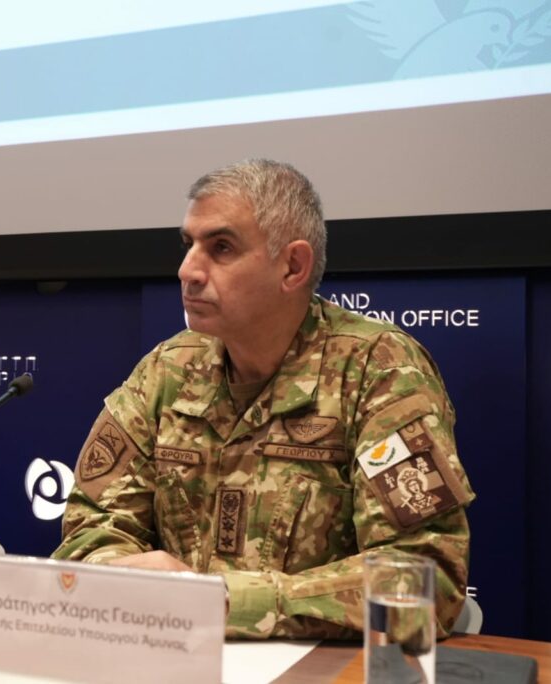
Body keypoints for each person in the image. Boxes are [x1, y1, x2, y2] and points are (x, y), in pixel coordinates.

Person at [52, 159, 475, 639]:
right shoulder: (167, 370)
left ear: (293, 267)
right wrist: (124, 574)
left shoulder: (377, 370)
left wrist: (226, 601)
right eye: (189, 245)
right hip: (176, 657)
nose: (188, 270)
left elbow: (424, 579)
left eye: (221, 248)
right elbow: (89, 530)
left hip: (321, 668)